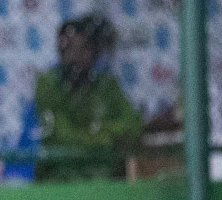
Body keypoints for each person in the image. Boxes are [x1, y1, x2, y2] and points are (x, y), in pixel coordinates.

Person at [34, 13, 142, 182]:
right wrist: (106, 137)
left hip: (103, 174)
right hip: (60, 176)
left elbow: (131, 126)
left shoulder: (106, 85)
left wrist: (93, 136)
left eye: (82, 49)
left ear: (92, 51)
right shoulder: (48, 84)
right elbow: (63, 136)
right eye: (67, 49)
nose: (74, 56)